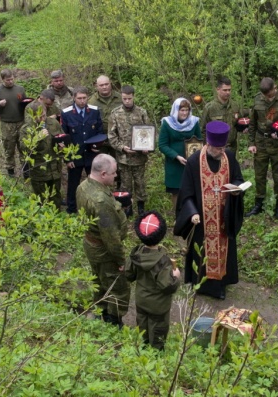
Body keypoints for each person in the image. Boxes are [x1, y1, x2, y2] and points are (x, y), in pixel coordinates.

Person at [174, 121, 245, 300]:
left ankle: (221, 283)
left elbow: (238, 178)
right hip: (202, 220)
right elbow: (186, 192)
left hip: (224, 216)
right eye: (218, 149)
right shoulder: (194, 161)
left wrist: (236, 188)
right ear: (209, 144)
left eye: (223, 148)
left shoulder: (228, 156)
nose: (221, 152)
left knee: (224, 249)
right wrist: (192, 212)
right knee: (202, 252)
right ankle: (202, 284)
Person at [76, 154, 130, 328]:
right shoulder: (101, 201)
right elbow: (111, 237)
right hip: (104, 251)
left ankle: (100, 312)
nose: (116, 176)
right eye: (114, 173)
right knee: (117, 287)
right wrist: (120, 260)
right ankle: (113, 322)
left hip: (91, 245)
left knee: (99, 281)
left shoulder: (83, 186)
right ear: (104, 174)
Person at [126, 211, 181, 350]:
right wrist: (176, 276)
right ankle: (156, 355)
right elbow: (168, 287)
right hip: (158, 307)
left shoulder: (136, 254)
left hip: (141, 301)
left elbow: (128, 274)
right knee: (158, 333)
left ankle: (142, 350)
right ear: (161, 235)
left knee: (142, 327)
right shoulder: (163, 261)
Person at [246, 77, 278, 219]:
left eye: (270, 95)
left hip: (277, 145)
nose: (267, 98)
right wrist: (251, 143)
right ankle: (258, 204)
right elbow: (252, 124)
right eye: (265, 96)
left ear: (275, 87)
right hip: (260, 142)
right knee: (259, 174)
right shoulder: (257, 100)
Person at [108, 85, 151, 216]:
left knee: (140, 183)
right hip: (124, 157)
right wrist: (122, 147)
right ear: (121, 96)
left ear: (133, 97)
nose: (127, 101)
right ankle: (128, 208)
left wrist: (147, 147)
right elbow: (111, 135)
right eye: (124, 98)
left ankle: (141, 208)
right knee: (125, 184)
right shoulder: (115, 113)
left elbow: (148, 132)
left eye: (129, 98)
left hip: (139, 157)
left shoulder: (141, 112)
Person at [61, 86, 104, 214]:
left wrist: (97, 146)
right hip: (75, 155)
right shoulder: (67, 113)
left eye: (84, 98)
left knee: (95, 183)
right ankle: (72, 210)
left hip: (91, 154)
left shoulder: (94, 111)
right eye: (79, 98)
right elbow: (63, 137)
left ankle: (95, 208)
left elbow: (99, 131)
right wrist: (67, 158)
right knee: (73, 184)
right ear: (74, 98)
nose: (82, 101)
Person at [158, 97, 201, 211]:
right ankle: (178, 216)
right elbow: (162, 145)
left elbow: (199, 140)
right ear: (176, 110)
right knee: (176, 191)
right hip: (174, 164)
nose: (184, 113)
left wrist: (196, 155)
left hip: (191, 162)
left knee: (191, 189)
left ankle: (191, 214)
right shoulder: (167, 123)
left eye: (187, 110)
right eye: (182, 110)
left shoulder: (194, 122)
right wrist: (176, 156)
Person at [21, 90, 63, 207]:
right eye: (39, 116)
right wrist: (37, 138)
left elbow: (61, 136)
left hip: (55, 169)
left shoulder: (53, 123)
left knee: (56, 200)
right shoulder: (26, 129)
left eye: (44, 115)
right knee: (42, 203)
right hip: (39, 171)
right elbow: (24, 150)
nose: (42, 119)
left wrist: (62, 146)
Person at [0, 69, 27, 176]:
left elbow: (25, 102)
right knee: (9, 147)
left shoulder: (20, 89)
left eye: (12, 79)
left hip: (21, 122)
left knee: (23, 146)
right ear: (2, 80)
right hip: (7, 123)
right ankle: (10, 171)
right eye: (7, 80)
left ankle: (26, 170)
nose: (10, 82)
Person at [200, 77, 241, 154]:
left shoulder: (234, 106)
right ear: (218, 89)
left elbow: (239, 123)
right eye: (225, 90)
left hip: (231, 149)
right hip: (214, 150)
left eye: (229, 90)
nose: (228, 92)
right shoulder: (210, 108)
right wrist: (205, 149)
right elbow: (203, 130)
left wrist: (243, 128)